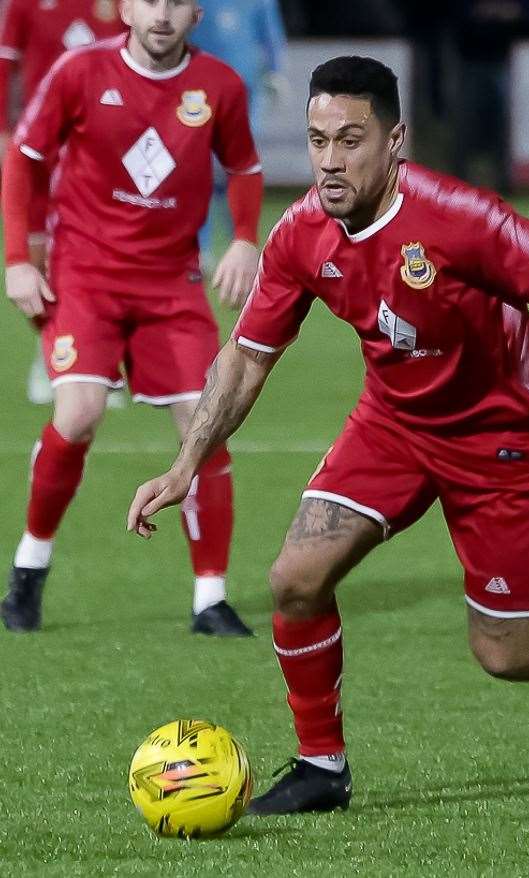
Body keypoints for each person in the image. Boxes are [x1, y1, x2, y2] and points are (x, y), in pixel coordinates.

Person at [128, 55, 529, 814]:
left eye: (351, 140)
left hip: (507, 441)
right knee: (295, 579)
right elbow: (247, 357)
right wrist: (187, 462)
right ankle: (322, 767)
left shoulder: (459, 217)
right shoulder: (301, 234)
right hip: (395, 424)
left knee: (504, 653)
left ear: (395, 140)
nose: (330, 161)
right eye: (317, 141)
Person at [2, 0, 264, 636]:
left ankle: (210, 599)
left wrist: (244, 238)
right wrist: (17, 258)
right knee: (80, 412)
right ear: (124, 8)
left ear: (197, 14)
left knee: (206, 424)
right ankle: (29, 569)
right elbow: (24, 161)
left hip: (172, 285)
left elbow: (245, 170)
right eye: (149, 0)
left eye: (177, 2)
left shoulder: (219, 86)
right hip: (85, 276)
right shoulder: (78, 71)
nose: (163, 14)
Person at [0, 0, 127, 404]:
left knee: (108, 253)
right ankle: (51, 351)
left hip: (102, 151)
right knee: (38, 257)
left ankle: (100, 360)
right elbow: (5, 66)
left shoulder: (120, 5)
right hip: (41, 146)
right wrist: (3, 131)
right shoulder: (26, 4)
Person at [189, 0, 286, 267]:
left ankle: (241, 243)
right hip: (199, 92)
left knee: (239, 167)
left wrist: (276, 72)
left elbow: (271, 33)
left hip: (246, 93)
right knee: (199, 170)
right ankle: (200, 248)